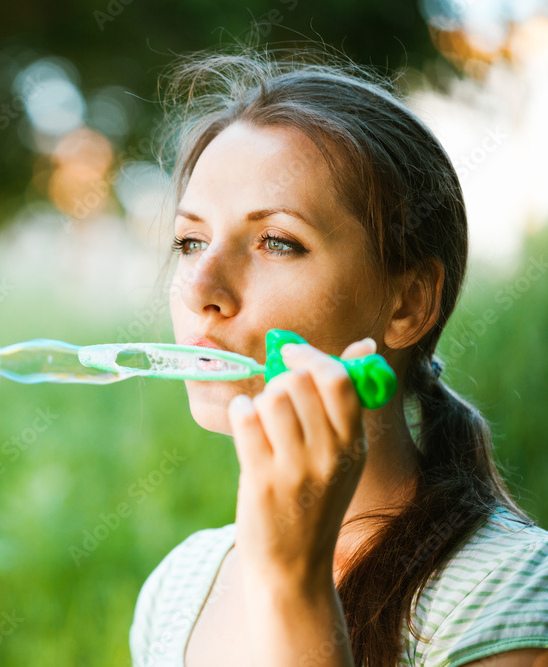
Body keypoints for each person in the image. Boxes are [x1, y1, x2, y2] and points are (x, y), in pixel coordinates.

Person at [129, 47, 548, 667]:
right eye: (190, 241)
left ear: (408, 303)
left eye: (277, 242)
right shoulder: (180, 587)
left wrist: (295, 587)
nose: (199, 289)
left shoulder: (505, 592)